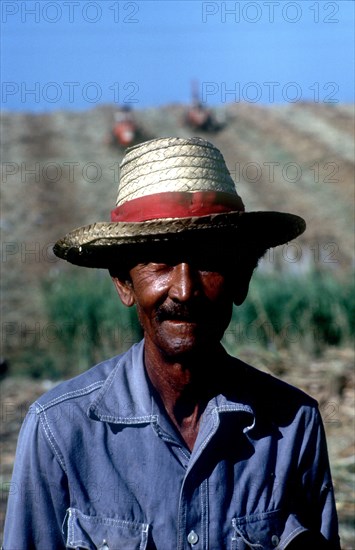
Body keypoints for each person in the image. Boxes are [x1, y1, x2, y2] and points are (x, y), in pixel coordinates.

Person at [3, 137, 340, 549]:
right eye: (160, 260)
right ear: (124, 284)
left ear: (241, 279)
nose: (184, 289)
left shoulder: (293, 426)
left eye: (208, 260)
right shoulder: (59, 430)